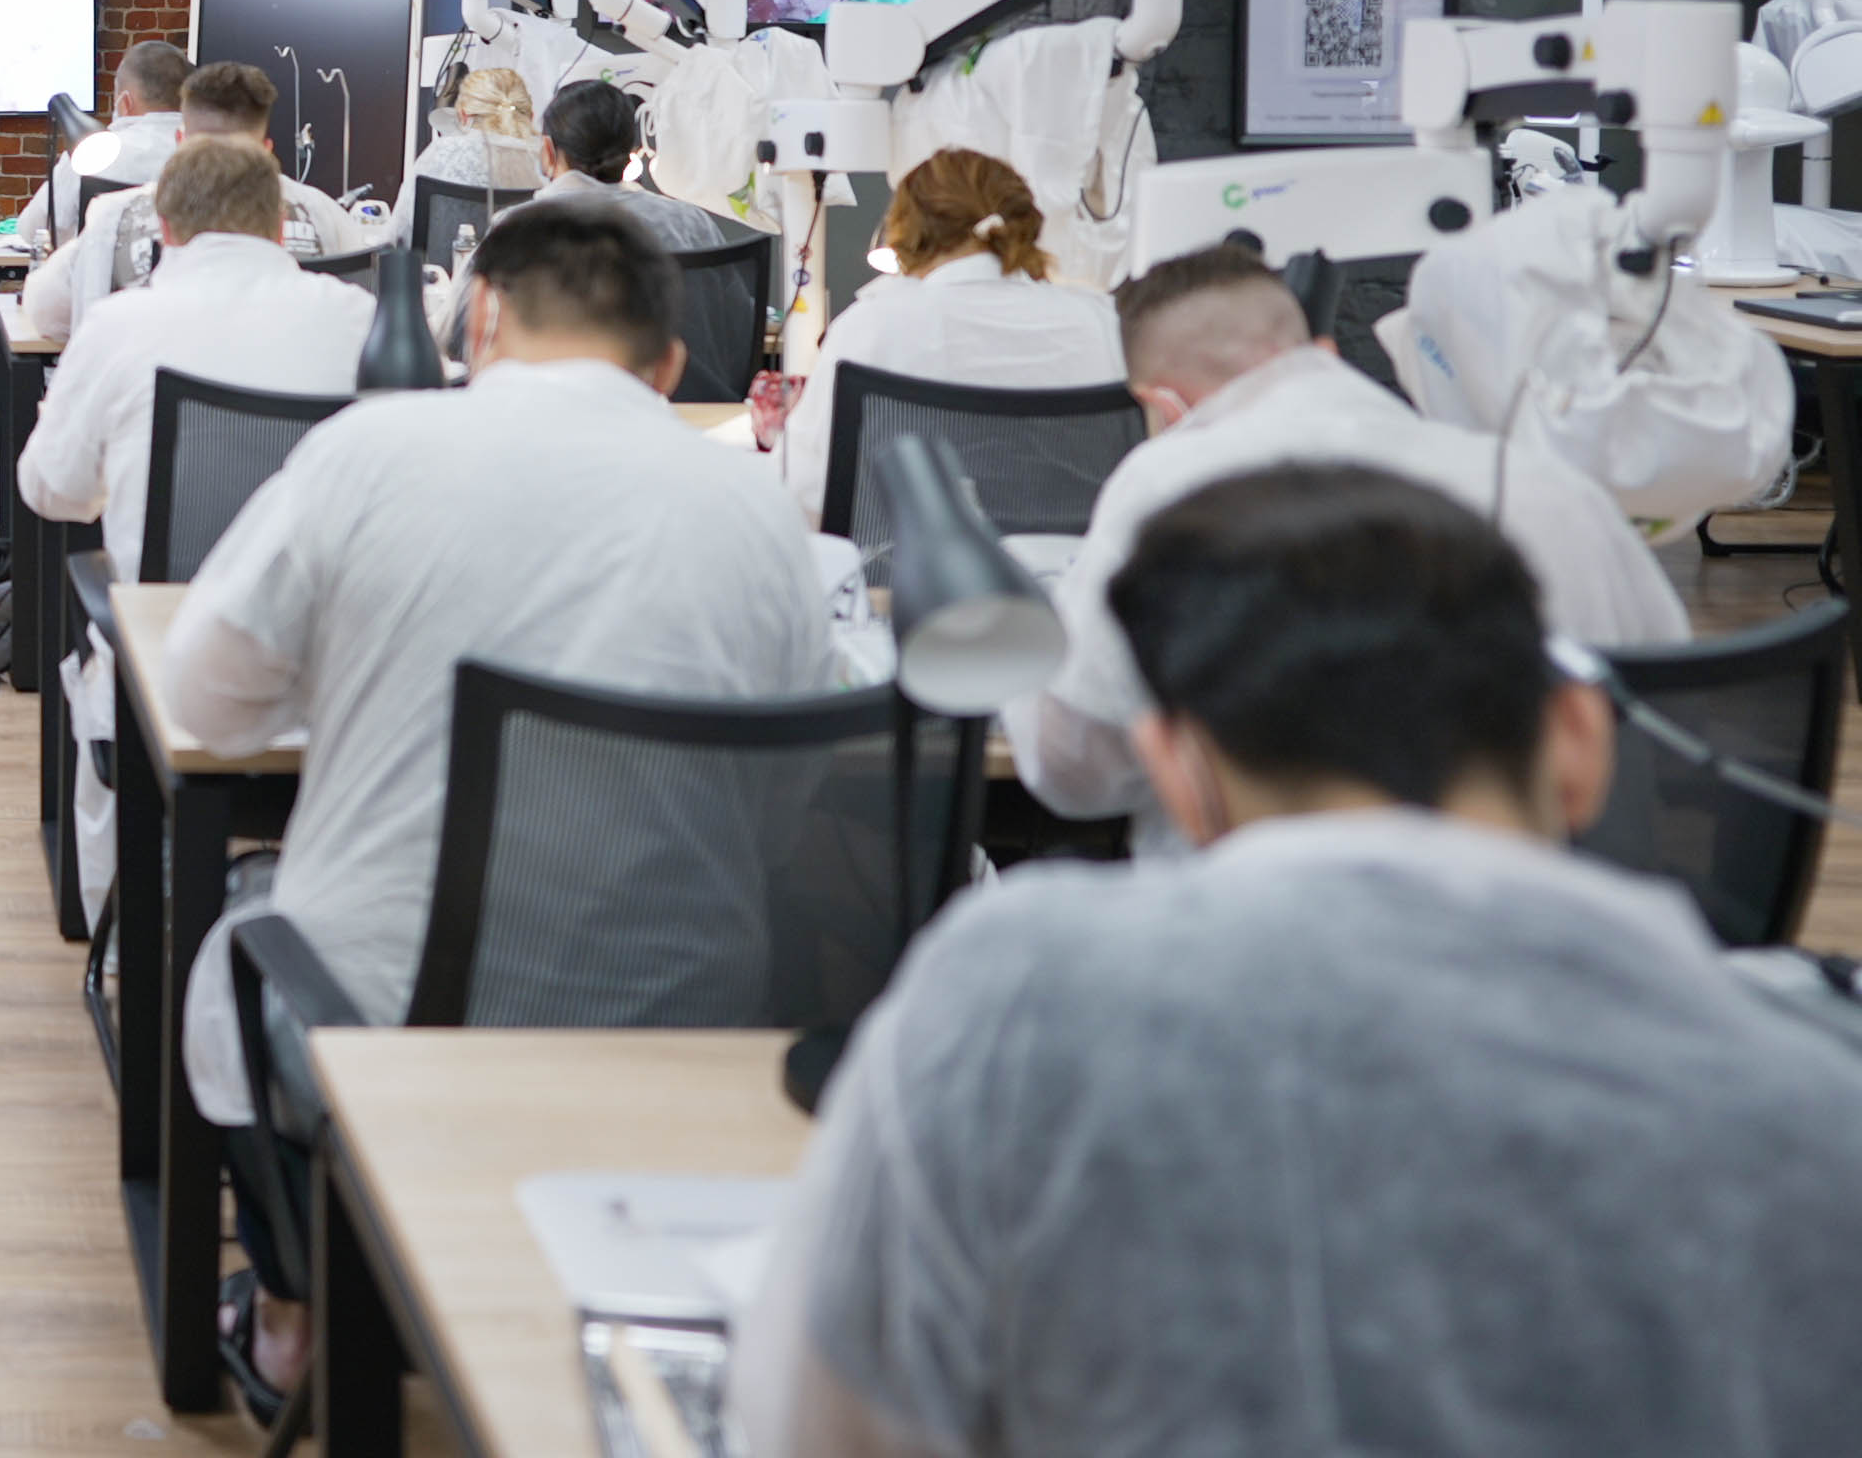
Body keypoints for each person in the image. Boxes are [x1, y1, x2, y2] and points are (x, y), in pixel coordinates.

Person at [736, 466, 1862, 1458]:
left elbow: (812, 1431)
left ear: (1177, 775)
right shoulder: (1818, 1095)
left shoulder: (1013, 1010)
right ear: (1578, 740)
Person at [156, 207, 827, 1394]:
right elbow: (785, 802)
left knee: (234, 934)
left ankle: (294, 1312)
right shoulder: (763, 518)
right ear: (668, 366)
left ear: (480, 320)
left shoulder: (370, 452)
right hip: (689, 1023)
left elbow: (202, 700)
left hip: (394, 1024)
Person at [1012, 245, 1689, 841]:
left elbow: (1072, 772)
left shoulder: (1167, 490)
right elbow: (1668, 701)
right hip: (1544, 902)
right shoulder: (1549, 489)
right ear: (1326, 355)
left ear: (1163, 406)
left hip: (1256, 916)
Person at [17, 137, 377, 892]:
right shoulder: (359, 318)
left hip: (172, 662)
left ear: (165, 228)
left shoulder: (121, 325)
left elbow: (51, 490)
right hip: (340, 674)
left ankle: (126, 922)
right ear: (279, 226)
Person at [767, 145, 1124, 525]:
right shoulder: (1101, 322)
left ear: (906, 230)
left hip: (908, 562)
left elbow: (801, 489)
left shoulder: (870, 328)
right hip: (1072, 561)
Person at [24, 59, 355, 339]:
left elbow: (44, 310)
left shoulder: (114, 216)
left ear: (180, 141)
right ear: (266, 148)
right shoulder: (320, 212)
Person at [507, 73, 752, 254]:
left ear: (548, 151)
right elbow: (729, 304)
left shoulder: (514, 230)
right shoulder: (687, 223)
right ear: (631, 148)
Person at [20, 36, 191, 244]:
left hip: (101, 265)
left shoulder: (92, 153)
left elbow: (31, 230)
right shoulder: (209, 155)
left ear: (124, 102)